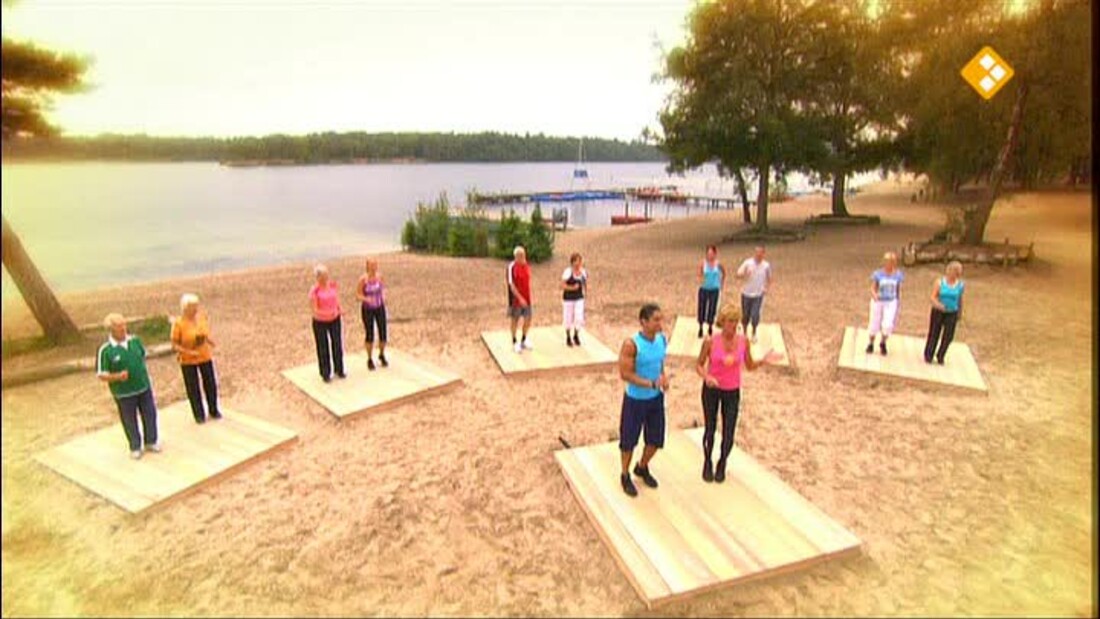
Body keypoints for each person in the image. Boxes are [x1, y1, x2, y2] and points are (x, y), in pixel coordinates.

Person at [695, 302, 784, 483]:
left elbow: (749, 365)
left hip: (732, 390)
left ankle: (722, 462)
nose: (733, 325)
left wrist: (763, 361)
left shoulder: (743, 341)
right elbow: (698, 364)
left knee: (729, 431)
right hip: (712, 389)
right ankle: (707, 461)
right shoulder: (711, 341)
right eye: (729, 321)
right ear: (722, 322)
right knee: (710, 428)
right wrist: (707, 377)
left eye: (736, 321)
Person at [617, 303, 670, 497]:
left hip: (655, 399)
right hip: (635, 400)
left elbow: (660, 362)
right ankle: (625, 474)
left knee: (656, 440)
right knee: (628, 440)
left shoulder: (662, 339)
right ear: (643, 321)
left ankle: (642, 466)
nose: (659, 323)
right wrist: (650, 383)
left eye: (660, 319)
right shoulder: (631, 344)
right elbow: (625, 374)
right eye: (655, 319)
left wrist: (663, 377)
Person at [97, 313, 160, 459]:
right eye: (119, 326)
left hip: (143, 386)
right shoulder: (106, 350)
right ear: (111, 329)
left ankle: (151, 441)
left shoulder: (135, 341)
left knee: (150, 414)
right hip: (124, 392)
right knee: (129, 419)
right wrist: (117, 376)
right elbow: (101, 374)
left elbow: (142, 356)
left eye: (124, 325)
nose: (123, 328)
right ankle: (135, 446)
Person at [171, 293, 222, 424]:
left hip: (204, 355)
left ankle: (213, 409)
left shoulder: (201, 318)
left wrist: (210, 341)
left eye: (196, 306)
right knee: (193, 387)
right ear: (185, 308)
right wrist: (188, 352)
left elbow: (204, 333)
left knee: (210, 383)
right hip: (188, 359)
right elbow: (175, 344)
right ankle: (199, 414)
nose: (195, 309)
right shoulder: (178, 323)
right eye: (193, 307)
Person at [924, 261, 965, 365]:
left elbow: (959, 299)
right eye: (953, 271)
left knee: (948, 336)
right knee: (934, 333)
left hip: (952, 312)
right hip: (939, 311)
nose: (955, 274)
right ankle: (929, 354)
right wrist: (939, 305)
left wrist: (960, 312)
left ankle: (941, 355)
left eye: (957, 272)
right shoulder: (940, 283)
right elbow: (933, 297)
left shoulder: (960, 285)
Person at [309, 264, 346, 382]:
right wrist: (326, 313)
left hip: (334, 319)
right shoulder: (314, 291)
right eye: (323, 275)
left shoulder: (332, 286)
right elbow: (314, 309)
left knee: (337, 344)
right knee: (323, 346)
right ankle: (325, 372)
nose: (326, 277)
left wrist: (339, 309)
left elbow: (336, 300)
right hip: (320, 321)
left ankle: (339, 369)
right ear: (318, 277)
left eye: (326, 275)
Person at [866, 252, 905, 355]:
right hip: (878, 301)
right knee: (874, 322)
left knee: (887, 323)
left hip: (891, 301)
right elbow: (873, 287)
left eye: (891, 262)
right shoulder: (878, 274)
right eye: (887, 262)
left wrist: (897, 300)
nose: (889, 264)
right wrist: (874, 295)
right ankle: (871, 343)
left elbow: (897, 289)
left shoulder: (898, 275)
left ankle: (883, 342)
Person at [356, 258, 389, 371]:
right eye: (372, 265)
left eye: (375, 265)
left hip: (379, 307)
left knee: (383, 332)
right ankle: (369, 358)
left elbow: (383, 288)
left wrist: (384, 295)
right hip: (368, 309)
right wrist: (366, 299)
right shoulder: (363, 279)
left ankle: (381, 354)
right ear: (367, 267)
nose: (374, 268)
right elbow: (358, 295)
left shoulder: (379, 277)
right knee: (369, 334)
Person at [736, 245, 772, 343]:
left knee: (755, 314)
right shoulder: (748, 263)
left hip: (758, 294)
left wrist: (766, 288)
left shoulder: (766, 265)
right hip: (746, 293)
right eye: (757, 252)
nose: (758, 254)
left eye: (760, 252)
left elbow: (769, 278)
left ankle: (754, 332)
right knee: (745, 315)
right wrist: (745, 274)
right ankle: (744, 332)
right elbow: (738, 274)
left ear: (763, 254)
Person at [507, 246, 534, 354]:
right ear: (516, 256)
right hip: (516, 299)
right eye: (521, 255)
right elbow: (511, 285)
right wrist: (520, 298)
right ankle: (514, 341)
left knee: (528, 318)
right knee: (515, 320)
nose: (523, 257)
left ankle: (524, 339)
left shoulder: (526, 265)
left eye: (524, 255)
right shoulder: (511, 267)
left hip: (527, 298)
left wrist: (526, 297)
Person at [696, 245, 725, 338]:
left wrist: (721, 283)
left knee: (712, 308)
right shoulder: (703, 263)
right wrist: (701, 280)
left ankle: (710, 326)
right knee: (702, 308)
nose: (710, 255)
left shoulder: (718, 264)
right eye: (708, 253)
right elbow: (699, 273)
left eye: (712, 253)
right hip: (704, 288)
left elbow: (724, 272)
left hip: (714, 289)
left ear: (715, 254)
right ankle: (700, 327)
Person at [561, 252, 588, 347]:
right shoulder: (568, 272)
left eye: (580, 261)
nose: (578, 263)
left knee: (579, 317)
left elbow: (585, 283)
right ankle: (568, 336)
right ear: (572, 262)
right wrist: (572, 288)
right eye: (576, 261)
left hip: (579, 297)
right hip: (568, 298)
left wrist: (585, 292)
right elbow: (562, 285)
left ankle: (576, 334)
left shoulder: (583, 272)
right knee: (568, 317)